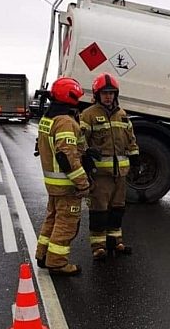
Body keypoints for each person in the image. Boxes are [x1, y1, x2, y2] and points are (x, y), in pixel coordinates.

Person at [79, 72, 139, 260]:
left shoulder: (122, 115)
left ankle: (115, 242)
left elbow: (131, 139)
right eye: (104, 93)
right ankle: (98, 247)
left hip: (120, 174)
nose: (108, 96)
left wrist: (135, 158)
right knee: (99, 211)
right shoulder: (88, 115)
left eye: (111, 93)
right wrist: (86, 156)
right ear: (97, 95)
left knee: (117, 209)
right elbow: (81, 141)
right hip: (100, 175)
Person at [35, 77, 91, 276]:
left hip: (53, 184)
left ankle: (43, 255)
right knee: (66, 223)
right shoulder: (65, 122)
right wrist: (83, 183)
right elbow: (67, 155)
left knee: (52, 219)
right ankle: (57, 263)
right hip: (67, 185)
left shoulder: (49, 118)